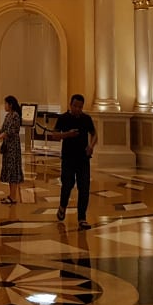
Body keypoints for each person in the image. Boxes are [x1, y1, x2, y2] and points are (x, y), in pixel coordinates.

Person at [47, 93, 96, 230]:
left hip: (83, 159)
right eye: (75, 106)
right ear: (70, 105)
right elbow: (54, 135)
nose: (77, 109)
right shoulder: (63, 118)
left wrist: (91, 146)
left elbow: (94, 134)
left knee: (84, 188)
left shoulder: (86, 119)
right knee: (67, 185)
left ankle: (82, 218)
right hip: (68, 158)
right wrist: (67, 134)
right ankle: (62, 206)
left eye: (80, 107)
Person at [0, 95, 24, 204]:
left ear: (10, 104)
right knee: (9, 169)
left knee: (13, 170)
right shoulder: (8, 116)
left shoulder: (15, 116)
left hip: (13, 147)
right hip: (7, 146)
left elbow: (8, 132)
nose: (4, 105)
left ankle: (13, 197)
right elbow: (2, 130)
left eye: (6, 103)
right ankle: (11, 195)